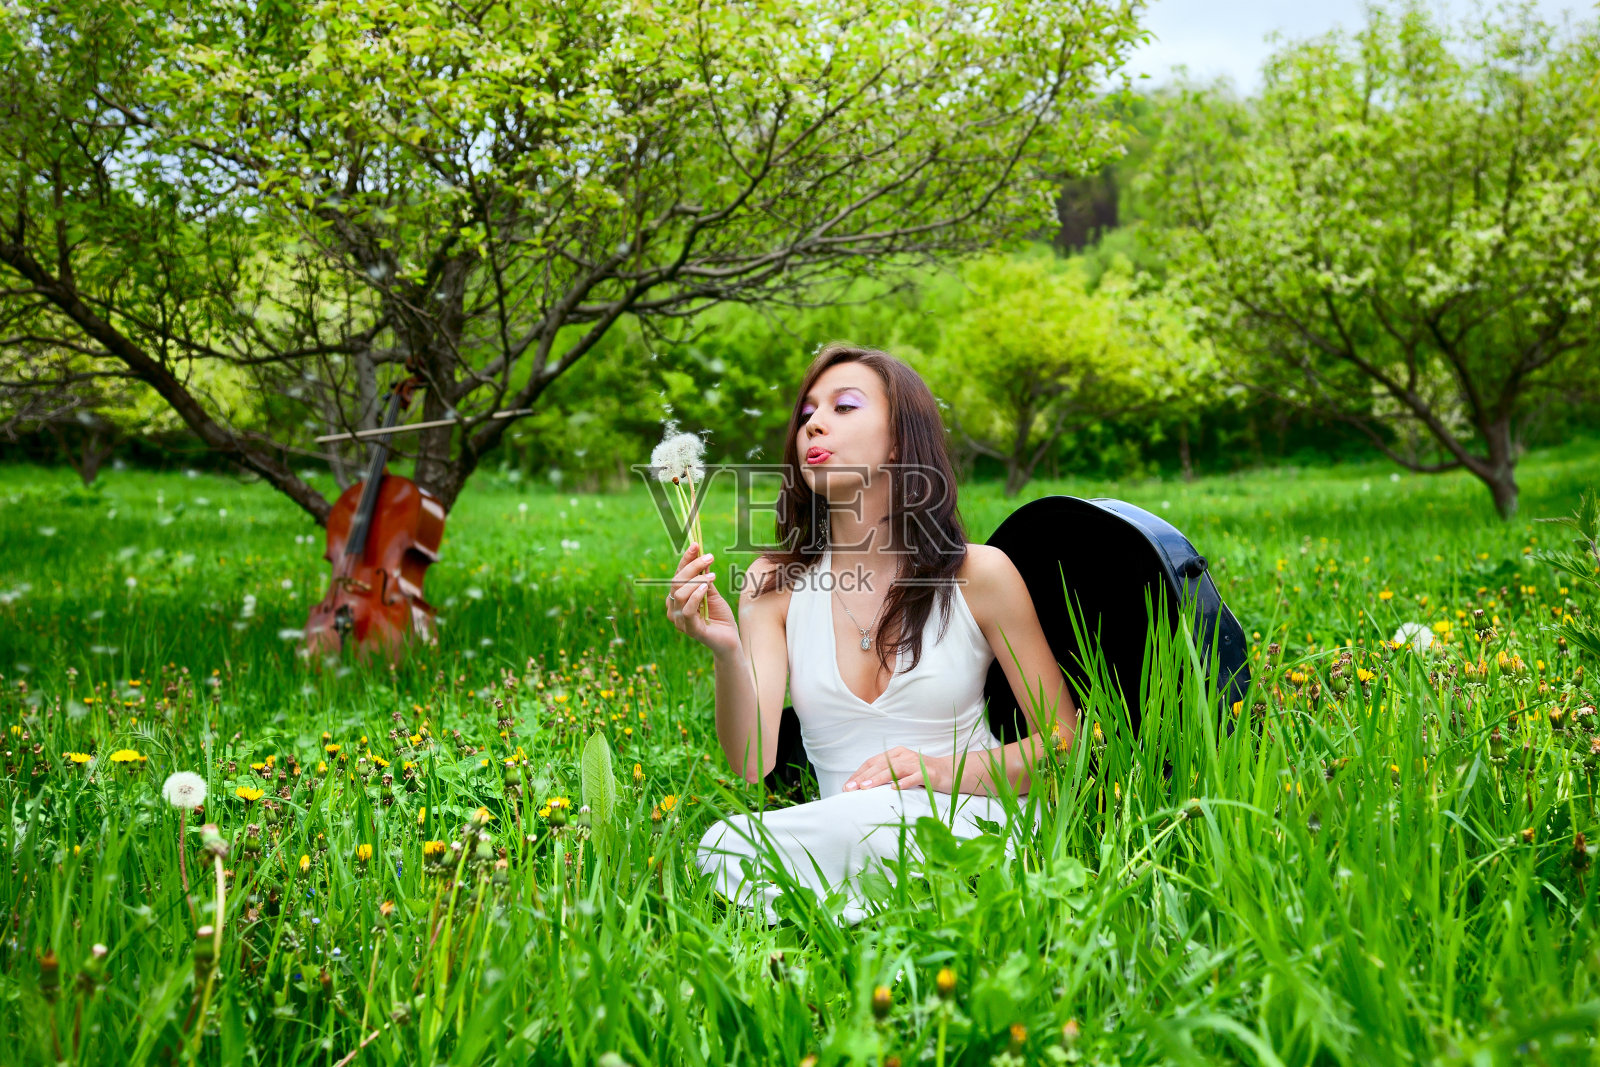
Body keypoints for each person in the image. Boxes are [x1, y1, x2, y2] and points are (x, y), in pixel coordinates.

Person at [664, 342, 1077, 925]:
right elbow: (751, 761)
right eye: (806, 414)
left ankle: (879, 898)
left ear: (899, 441)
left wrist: (941, 772)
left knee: (861, 834)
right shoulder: (772, 585)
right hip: (850, 827)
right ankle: (902, 903)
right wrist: (727, 653)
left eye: (845, 406)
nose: (815, 424)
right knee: (726, 844)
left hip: (971, 821)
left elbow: (1066, 743)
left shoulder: (979, 574)